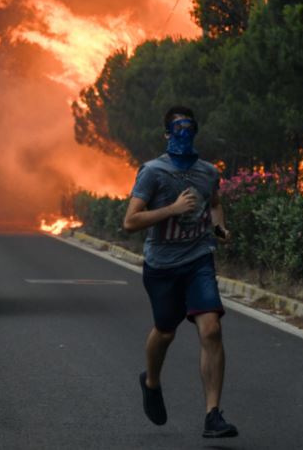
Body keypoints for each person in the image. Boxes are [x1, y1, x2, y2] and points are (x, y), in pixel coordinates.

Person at [122, 105, 238, 439]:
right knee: (166, 331)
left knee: (212, 329)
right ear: (167, 134)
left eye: (190, 129)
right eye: (178, 129)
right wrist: (173, 209)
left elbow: (214, 202)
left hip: (198, 259)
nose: (185, 135)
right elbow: (130, 222)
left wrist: (220, 229)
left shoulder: (207, 172)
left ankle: (212, 415)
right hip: (161, 265)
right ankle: (152, 381)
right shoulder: (152, 172)